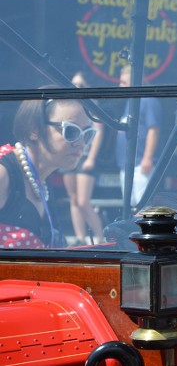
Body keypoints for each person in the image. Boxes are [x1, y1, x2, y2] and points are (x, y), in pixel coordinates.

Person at [0, 96, 96, 248]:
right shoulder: (4, 174)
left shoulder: (38, 179)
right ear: (34, 129)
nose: (81, 143)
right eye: (71, 131)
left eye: (88, 134)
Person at [62, 72, 105, 244]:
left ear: (88, 86)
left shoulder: (93, 105)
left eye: (81, 84)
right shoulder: (68, 105)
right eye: (74, 84)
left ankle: (101, 238)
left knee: (83, 200)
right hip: (69, 154)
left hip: (85, 155)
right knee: (73, 198)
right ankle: (80, 238)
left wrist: (91, 158)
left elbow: (99, 132)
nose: (77, 88)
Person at [115, 66, 164, 206]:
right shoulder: (131, 103)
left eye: (124, 82)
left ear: (135, 82)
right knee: (130, 205)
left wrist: (147, 158)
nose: (120, 86)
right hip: (127, 164)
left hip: (140, 163)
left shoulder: (148, 100)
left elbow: (153, 129)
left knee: (142, 206)